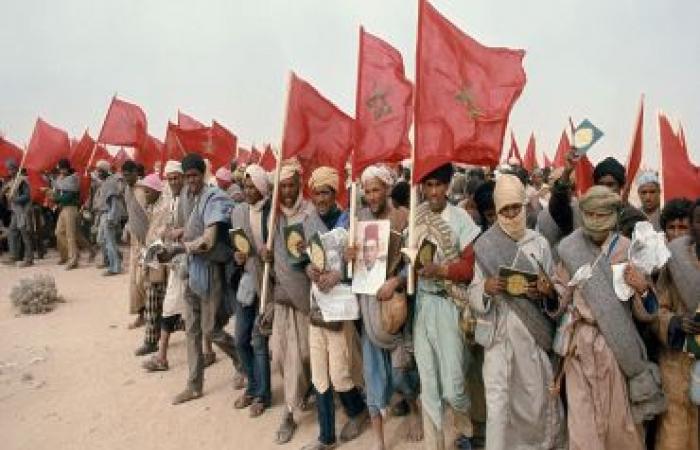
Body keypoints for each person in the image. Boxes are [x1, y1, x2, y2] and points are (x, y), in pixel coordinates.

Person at [554, 186, 666, 450]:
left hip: (616, 346)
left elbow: (646, 311)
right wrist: (550, 292)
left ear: (613, 216)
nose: (594, 219)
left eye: (601, 214)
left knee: (620, 428)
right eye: (589, 214)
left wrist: (642, 288)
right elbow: (561, 299)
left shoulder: (628, 249)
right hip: (579, 348)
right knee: (582, 429)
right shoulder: (569, 249)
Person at [469, 174, 565, 450]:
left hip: (531, 334)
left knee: (534, 404)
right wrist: (486, 288)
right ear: (496, 212)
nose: (511, 214)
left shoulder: (539, 243)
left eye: (516, 207)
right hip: (498, 336)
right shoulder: (485, 245)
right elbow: (473, 293)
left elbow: (555, 291)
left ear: (524, 206)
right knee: (498, 407)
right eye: (505, 210)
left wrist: (545, 292)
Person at [349, 164, 421, 450]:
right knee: (373, 374)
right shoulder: (359, 219)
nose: (371, 196)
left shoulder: (404, 218)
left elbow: (414, 263)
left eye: (376, 189)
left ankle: (414, 409)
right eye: (366, 191)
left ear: (388, 189)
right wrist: (348, 254)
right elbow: (347, 262)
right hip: (368, 307)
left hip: (394, 309)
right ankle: (379, 441)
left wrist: (396, 281)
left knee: (402, 371)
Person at [413, 163, 481, 449]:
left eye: (438, 185)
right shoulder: (416, 217)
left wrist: (440, 271)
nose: (433, 191)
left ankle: (464, 429)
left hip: (450, 304)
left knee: (453, 385)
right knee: (428, 384)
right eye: (428, 185)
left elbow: (469, 267)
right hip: (423, 304)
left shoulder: (460, 218)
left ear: (448, 185)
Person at [301, 166, 368, 450]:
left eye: (326, 192)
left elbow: (364, 266)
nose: (321, 198)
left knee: (340, 375)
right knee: (319, 375)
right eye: (317, 193)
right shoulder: (307, 222)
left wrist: (340, 273)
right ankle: (325, 437)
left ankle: (357, 411)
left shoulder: (349, 221)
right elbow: (301, 260)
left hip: (340, 306)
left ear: (334, 193)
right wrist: (310, 271)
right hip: (317, 305)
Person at [164, 153, 236, 405]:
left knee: (212, 330)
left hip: (210, 271)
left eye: (194, 175)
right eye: (187, 176)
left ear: (202, 174)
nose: (190, 180)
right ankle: (194, 385)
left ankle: (241, 361)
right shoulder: (186, 196)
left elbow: (208, 239)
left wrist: (181, 247)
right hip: (192, 271)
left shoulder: (214, 197)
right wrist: (177, 234)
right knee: (192, 330)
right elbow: (193, 226)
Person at [260, 159, 316, 445]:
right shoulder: (272, 218)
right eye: (281, 186)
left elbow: (319, 254)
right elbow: (265, 253)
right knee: (282, 356)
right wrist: (266, 254)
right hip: (281, 297)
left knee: (304, 355)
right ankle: (290, 412)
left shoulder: (309, 214)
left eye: (291, 184)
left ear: (300, 185)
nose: (287, 191)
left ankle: (301, 396)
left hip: (305, 297)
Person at [653, 199, 700, 450]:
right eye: (698, 221)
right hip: (676, 367)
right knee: (674, 435)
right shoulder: (673, 263)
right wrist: (676, 323)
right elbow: (657, 310)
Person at [230, 164, 272, 417]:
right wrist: (239, 256)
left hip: (268, 281)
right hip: (247, 281)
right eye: (245, 186)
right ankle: (253, 384)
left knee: (259, 341)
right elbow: (237, 243)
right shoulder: (238, 212)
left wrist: (268, 254)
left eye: (252, 186)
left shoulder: (272, 211)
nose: (248, 190)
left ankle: (262, 394)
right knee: (240, 339)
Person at [143, 161, 187, 371]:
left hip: (191, 260)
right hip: (176, 262)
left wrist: (179, 231)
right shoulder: (170, 202)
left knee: (197, 309)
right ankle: (162, 356)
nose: (173, 182)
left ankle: (209, 352)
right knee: (171, 306)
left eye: (176, 177)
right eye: (169, 179)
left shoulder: (190, 199)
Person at [134, 174, 169, 356]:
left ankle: (150, 341)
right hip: (151, 258)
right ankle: (155, 338)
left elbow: (160, 236)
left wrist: (148, 255)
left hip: (158, 259)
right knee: (156, 301)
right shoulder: (153, 206)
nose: (145, 194)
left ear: (156, 191)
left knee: (153, 300)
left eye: (147, 191)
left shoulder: (163, 209)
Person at [123, 160, 148, 329]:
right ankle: (141, 314)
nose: (126, 177)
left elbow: (149, 215)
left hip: (146, 241)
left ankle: (152, 315)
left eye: (128, 174)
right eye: (124, 174)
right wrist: (127, 229)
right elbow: (130, 214)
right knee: (135, 281)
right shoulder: (127, 190)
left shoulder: (143, 191)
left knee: (143, 280)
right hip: (134, 242)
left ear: (135, 173)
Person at [49, 159, 84, 270]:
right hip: (63, 209)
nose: (60, 171)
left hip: (71, 208)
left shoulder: (73, 179)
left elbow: (68, 196)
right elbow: (60, 191)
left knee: (70, 235)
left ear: (66, 168)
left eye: (61, 168)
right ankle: (71, 255)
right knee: (58, 232)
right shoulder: (61, 179)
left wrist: (55, 198)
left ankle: (73, 260)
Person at [94, 160, 124, 276]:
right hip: (103, 214)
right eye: (98, 171)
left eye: (100, 171)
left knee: (110, 242)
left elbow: (114, 202)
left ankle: (115, 268)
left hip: (108, 215)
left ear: (106, 171)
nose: (98, 173)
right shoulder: (105, 182)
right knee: (101, 240)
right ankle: (113, 259)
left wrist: (111, 218)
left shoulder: (111, 183)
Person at [2, 160, 34, 267]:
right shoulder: (12, 181)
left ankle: (29, 259)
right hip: (15, 212)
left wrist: (15, 199)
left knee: (25, 233)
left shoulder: (22, 180)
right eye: (8, 169)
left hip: (23, 210)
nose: (9, 171)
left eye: (11, 169)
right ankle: (14, 256)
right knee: (12, 232)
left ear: (16, 169)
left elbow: (27, 196)